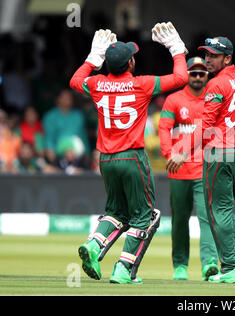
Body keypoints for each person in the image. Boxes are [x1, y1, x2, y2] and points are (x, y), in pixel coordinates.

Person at [69, 23, 188, 284]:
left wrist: (92, 59)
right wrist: (176, 48)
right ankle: (123, 269)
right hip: (132, 157)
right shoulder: (142, 85)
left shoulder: (98, 84)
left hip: (107, 160)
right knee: (147, 217)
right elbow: (181, 78)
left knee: (116, 213)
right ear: (130, 64)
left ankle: (94, 245)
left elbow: (75, 81)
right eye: (133, 57)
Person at [168, 37, 235, 283]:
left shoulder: (217, 85)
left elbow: (206, 127)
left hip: (219, 152)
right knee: (226, 210)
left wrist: (182, 151)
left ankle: (229, 267)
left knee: (216, 212)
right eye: (206, 54)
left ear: (227, 58)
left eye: (214, 55)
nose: (208, 59)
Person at [158, 57, 219, 281]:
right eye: (193, 73)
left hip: (204, 169)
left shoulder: (213, 100)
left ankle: (210, 264)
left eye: (201, 73)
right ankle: (180, 265)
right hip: (179, 169)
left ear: (207, 75)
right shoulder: (174, 99)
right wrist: (169, 154)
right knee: (179, 219)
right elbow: (164, 128)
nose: (196, 76)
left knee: (207, 218)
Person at [42, 89, 90, 167]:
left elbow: (83, 136)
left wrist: (87, 152)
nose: (69, 99)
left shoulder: (78, 115)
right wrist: (50, 150)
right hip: (59, 156)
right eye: (65, 97)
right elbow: (48, 137)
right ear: (58, 99)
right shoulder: (50, 116)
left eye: (70, 97)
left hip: (77, 155)